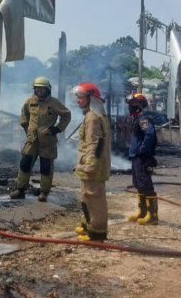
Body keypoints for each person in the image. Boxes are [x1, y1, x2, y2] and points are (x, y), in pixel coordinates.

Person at [11, 77, 71, 202]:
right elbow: (24, 114)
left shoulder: (54, 103)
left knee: (46, 167)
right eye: (37, 88)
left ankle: (44, 192)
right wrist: (27, 128)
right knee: (25, 164)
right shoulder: (30, 101)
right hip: (32, 140)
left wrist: (58, 129)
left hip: (47, 141)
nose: (39, 90)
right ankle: (20, 189)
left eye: (42, 88)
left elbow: (66, 114)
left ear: (47, 89)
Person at [71, 83, 111, 242]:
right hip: (90, 166)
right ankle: (88, 225)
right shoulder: (94, 116)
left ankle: (97, 232)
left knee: (94, 198)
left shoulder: (92, 117)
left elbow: (94, 144)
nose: (78, 101)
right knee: (87, 197)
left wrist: (90, 166)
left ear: (90, 98)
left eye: (80, 97)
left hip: (93, 167)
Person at [126, 93, 159, 225]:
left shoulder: (143, 119)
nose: (130, 107)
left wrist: (143, 149)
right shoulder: (136, 119)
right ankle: (142, 212)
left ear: (139, 106)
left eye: (133, 105)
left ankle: (152, 216)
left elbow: (149, 134)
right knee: (138, 184)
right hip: (136, 156)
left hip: (142, 156)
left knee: (145, 184)